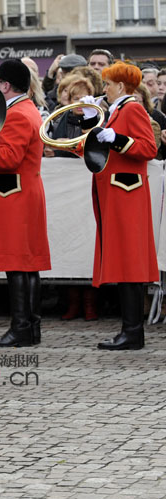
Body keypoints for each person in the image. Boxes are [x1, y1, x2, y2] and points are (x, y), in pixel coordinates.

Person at [79, 61, 158, 350]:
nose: (104, 90)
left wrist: (118, 139)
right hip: (116, 193)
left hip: (127, 194)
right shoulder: (115, 111)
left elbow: (149, 148)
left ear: (121, 87)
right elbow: (92, 146)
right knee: (124, 262)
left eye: (108, 85)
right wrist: (90, 120)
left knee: (130, 264)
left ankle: (133, 331)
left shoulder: (133, 108)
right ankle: (130, 330)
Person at [0, 59, 51, 348]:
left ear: (5, 85)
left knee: (19, 265)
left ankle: (22, 327)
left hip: (14, 195)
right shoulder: (22, 109)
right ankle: (29, 326)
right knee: (24, 265)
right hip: (18, 193)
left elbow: (7, 158)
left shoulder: (18, 113)